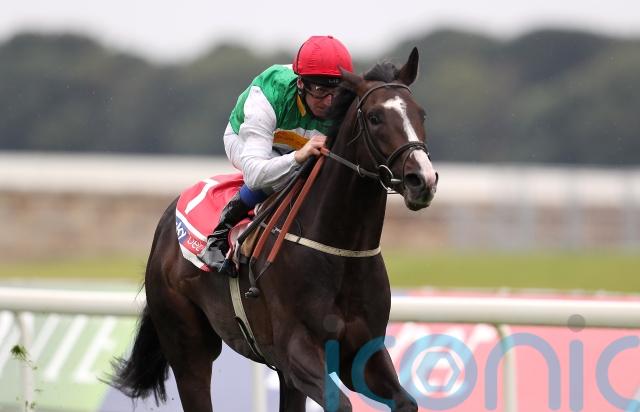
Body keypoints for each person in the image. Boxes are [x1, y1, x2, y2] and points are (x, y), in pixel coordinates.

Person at [198, 35, 354, 272]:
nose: (329, 102)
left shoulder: (346, 101)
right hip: (244, 140)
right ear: (301, 84)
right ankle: (218, 236)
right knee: (283, 175)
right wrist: (298, 157)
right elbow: (255, 176)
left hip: (298, 141)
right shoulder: (269, 93)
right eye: (321, 90)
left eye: (337, 91)